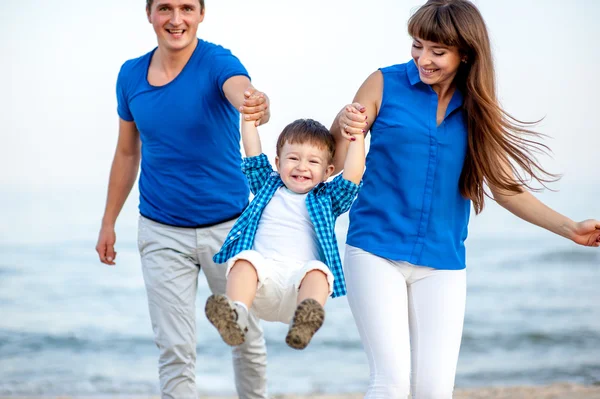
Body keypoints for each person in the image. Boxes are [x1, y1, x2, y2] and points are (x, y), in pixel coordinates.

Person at [331, 0, 600, 398]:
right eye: (417, 45)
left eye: (437, 52)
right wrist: (342, 124)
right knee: (389, 382)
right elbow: (338, 164)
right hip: (375, 250)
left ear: (466, 53)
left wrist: (571, 228)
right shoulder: (382, 83)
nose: (423, 59)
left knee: (436, 390)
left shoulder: (477, 110)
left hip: (443, 263)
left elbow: (506, 189)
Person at [94, 1, 272, 398]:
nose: (176, 19)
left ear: (202, 14)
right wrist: (109, 221)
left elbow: (241, 90)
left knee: (245, 337)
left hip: (228, 230)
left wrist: (255, 102)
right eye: (165, 8)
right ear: (150, 14)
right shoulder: (130, 75)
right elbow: (127, 153)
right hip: (161, 231)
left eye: (187, 8)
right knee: (174, 349)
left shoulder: (217, 62)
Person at [205, 117, 364, 350]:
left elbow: (352, 176)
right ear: (278, 163)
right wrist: (248, 120)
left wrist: (357, 137)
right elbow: (252, 154)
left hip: (297, 291)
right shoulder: (267, 186)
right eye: (293, 158)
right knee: (246, 260)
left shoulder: (328, 199)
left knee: (318, 271)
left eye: (312, 161)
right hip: (261, 284)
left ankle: (305, 323)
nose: (301, 167)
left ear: (327, 171)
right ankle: (236, 314)